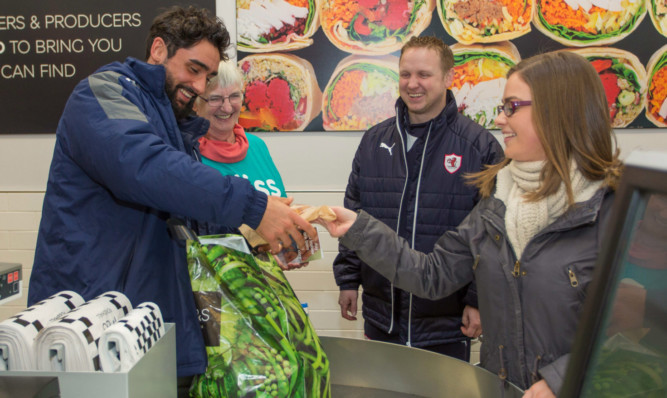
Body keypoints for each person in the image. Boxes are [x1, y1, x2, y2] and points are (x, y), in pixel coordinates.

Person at [28, 5, 315, 385]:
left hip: (153, 330)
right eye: (194, 69)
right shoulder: (103, 92)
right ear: (159, 50)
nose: (200, 86)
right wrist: (254, 206)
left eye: (208, 76)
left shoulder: (176, 125)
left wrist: (258, 237)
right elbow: (144, 168)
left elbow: (188, 221)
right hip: (92, 332)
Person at [319, 50, 624, 397]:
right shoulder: (498, 201)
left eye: (512, 107)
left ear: (558, 111)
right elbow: (431, 274)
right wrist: (359, 229)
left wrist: (559, 379)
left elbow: (638, 331)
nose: (501, 120)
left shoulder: (616, 208)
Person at [333, 35, 503, 360]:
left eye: (424, 74)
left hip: (446, 325)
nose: (413, 84)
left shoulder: (480, 147)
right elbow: (353, 216)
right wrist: (347, 280)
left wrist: (477, 299)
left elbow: (491, 238)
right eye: (405, 74)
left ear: (449, 77)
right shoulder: (374, 142)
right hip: (382, 318)